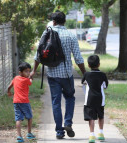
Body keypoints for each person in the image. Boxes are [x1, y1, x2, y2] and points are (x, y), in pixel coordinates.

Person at [30, 11, 86, 139]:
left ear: (53, 22)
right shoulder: (70, 35)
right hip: (66, 74)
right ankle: (67, 123)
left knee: (56, 102)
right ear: (64, 21)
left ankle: (59, 132)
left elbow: (38, 55)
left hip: (52, 74)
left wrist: (33, 70)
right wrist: (85, 74)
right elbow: (78, 58)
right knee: (70, 98)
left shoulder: (46, 33)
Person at [81, 55, 108, 143]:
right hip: (100, 99)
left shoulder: (86, 74)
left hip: (90, 99)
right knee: (100, 115)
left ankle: (92, 135)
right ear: (99, 64)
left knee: (91, 117)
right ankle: (101, 133)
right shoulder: (103, 75)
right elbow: (105, 86)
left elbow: (83, 83)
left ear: (88, 65)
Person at [7, 62, 36, 142]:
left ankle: (19, 136)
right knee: (29, 117)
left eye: (29, 71)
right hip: (24, 102)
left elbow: (9, 86)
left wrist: (9, 92)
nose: (28, 73)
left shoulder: (16, 78)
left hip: (16, 102)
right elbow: (30, 82)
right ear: (20, 72)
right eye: (26, 71)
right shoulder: (26, 80)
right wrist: (30, 78)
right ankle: (29, 133)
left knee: (18, 118)